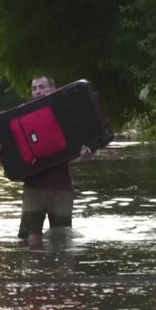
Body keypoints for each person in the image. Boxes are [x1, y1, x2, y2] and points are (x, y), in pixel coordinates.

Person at [18, 76, 93, 246]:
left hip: (61, 185)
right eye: (34, 88)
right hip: (33, 185)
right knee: (31, 236)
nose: (37, 91)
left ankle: (60, 272)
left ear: (53, 89)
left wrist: (85, 153)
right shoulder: (22, 116)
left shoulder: (66, 114)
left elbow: (83, 142)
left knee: (61, 236)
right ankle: (35, 270)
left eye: (42, 87)